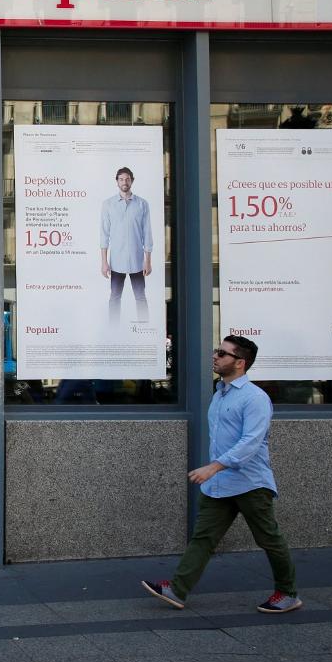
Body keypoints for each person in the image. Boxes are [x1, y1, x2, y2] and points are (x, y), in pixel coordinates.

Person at [142, 335, 302, 614]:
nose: (215, 356)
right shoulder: (220, 393)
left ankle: (287, 593)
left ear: (240, 363)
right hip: (221, 484)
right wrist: (216, 472)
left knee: (268, 539)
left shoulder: (255, 398)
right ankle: (177, 590)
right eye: (218, 351)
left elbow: (250, 443)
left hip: (251, 483)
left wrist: (213, 467)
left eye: (223, 354)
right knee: (203, 537)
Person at [99, 167, 153, 323]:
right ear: (117, 182)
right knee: (114, 298)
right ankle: (113, 330)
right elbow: (104, 235)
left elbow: (147, 233)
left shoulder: (142, 204)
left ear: (132, 181)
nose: (125, 182)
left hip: (137, 261)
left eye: (127, 179)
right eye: (121, 179)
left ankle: (143, 328)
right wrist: (104, 262)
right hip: (116, 261)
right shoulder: (108, 205)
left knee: (141, 297)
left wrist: (147, 261)